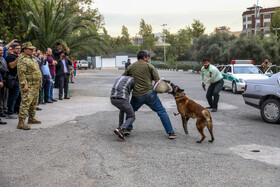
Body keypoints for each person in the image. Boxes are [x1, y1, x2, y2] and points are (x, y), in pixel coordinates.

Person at [123, 50, 176, 139]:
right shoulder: (149, 66)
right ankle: (171, 132)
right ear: (144, 57)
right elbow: (157, 81)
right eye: (148, 57)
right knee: (161, 112)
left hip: (136, 95)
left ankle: (127, 129)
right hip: (149, 95)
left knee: (130, 111)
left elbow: (124, 78)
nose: (148, 59)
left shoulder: (131, 67)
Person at [17, 42, 42, 130]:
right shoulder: (22, 59)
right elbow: (21, 73)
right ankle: (21, 122)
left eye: (32, 49)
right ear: (25, 50)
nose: (32, 50)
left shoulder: (32, 59)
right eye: (30, 49)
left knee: (34, 103)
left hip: (35, 85)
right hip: (29, 85)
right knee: (25, 103)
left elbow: (37, 71)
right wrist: (24, 84)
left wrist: (39, 83)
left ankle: (31, 118)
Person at [110, 75, 135, 140]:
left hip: (112, 99)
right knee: (132, 116)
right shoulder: (132, 79)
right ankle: (121, 129)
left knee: (122, 109)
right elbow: (135, 91)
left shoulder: (119, 77)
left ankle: (119, 128)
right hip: (122, 99)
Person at [6, 43, 21, 119]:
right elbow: (11, 66)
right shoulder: (10, 57)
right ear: (13, 49)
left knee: (19, 96)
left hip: (19, 79)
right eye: (17, 48)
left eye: (19, 48)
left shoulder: (19, 57)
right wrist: (19, 58)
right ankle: (10, 112)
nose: (19, 50)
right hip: (13, 79)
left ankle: (17, 110)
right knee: (13, 96)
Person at [0, 46, 9, 118]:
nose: (2, 52)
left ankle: (3, 109)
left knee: (4, 96)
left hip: (4, 79)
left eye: (2, 50)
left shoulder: (3, 58)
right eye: (0, 50)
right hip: (1, 79)